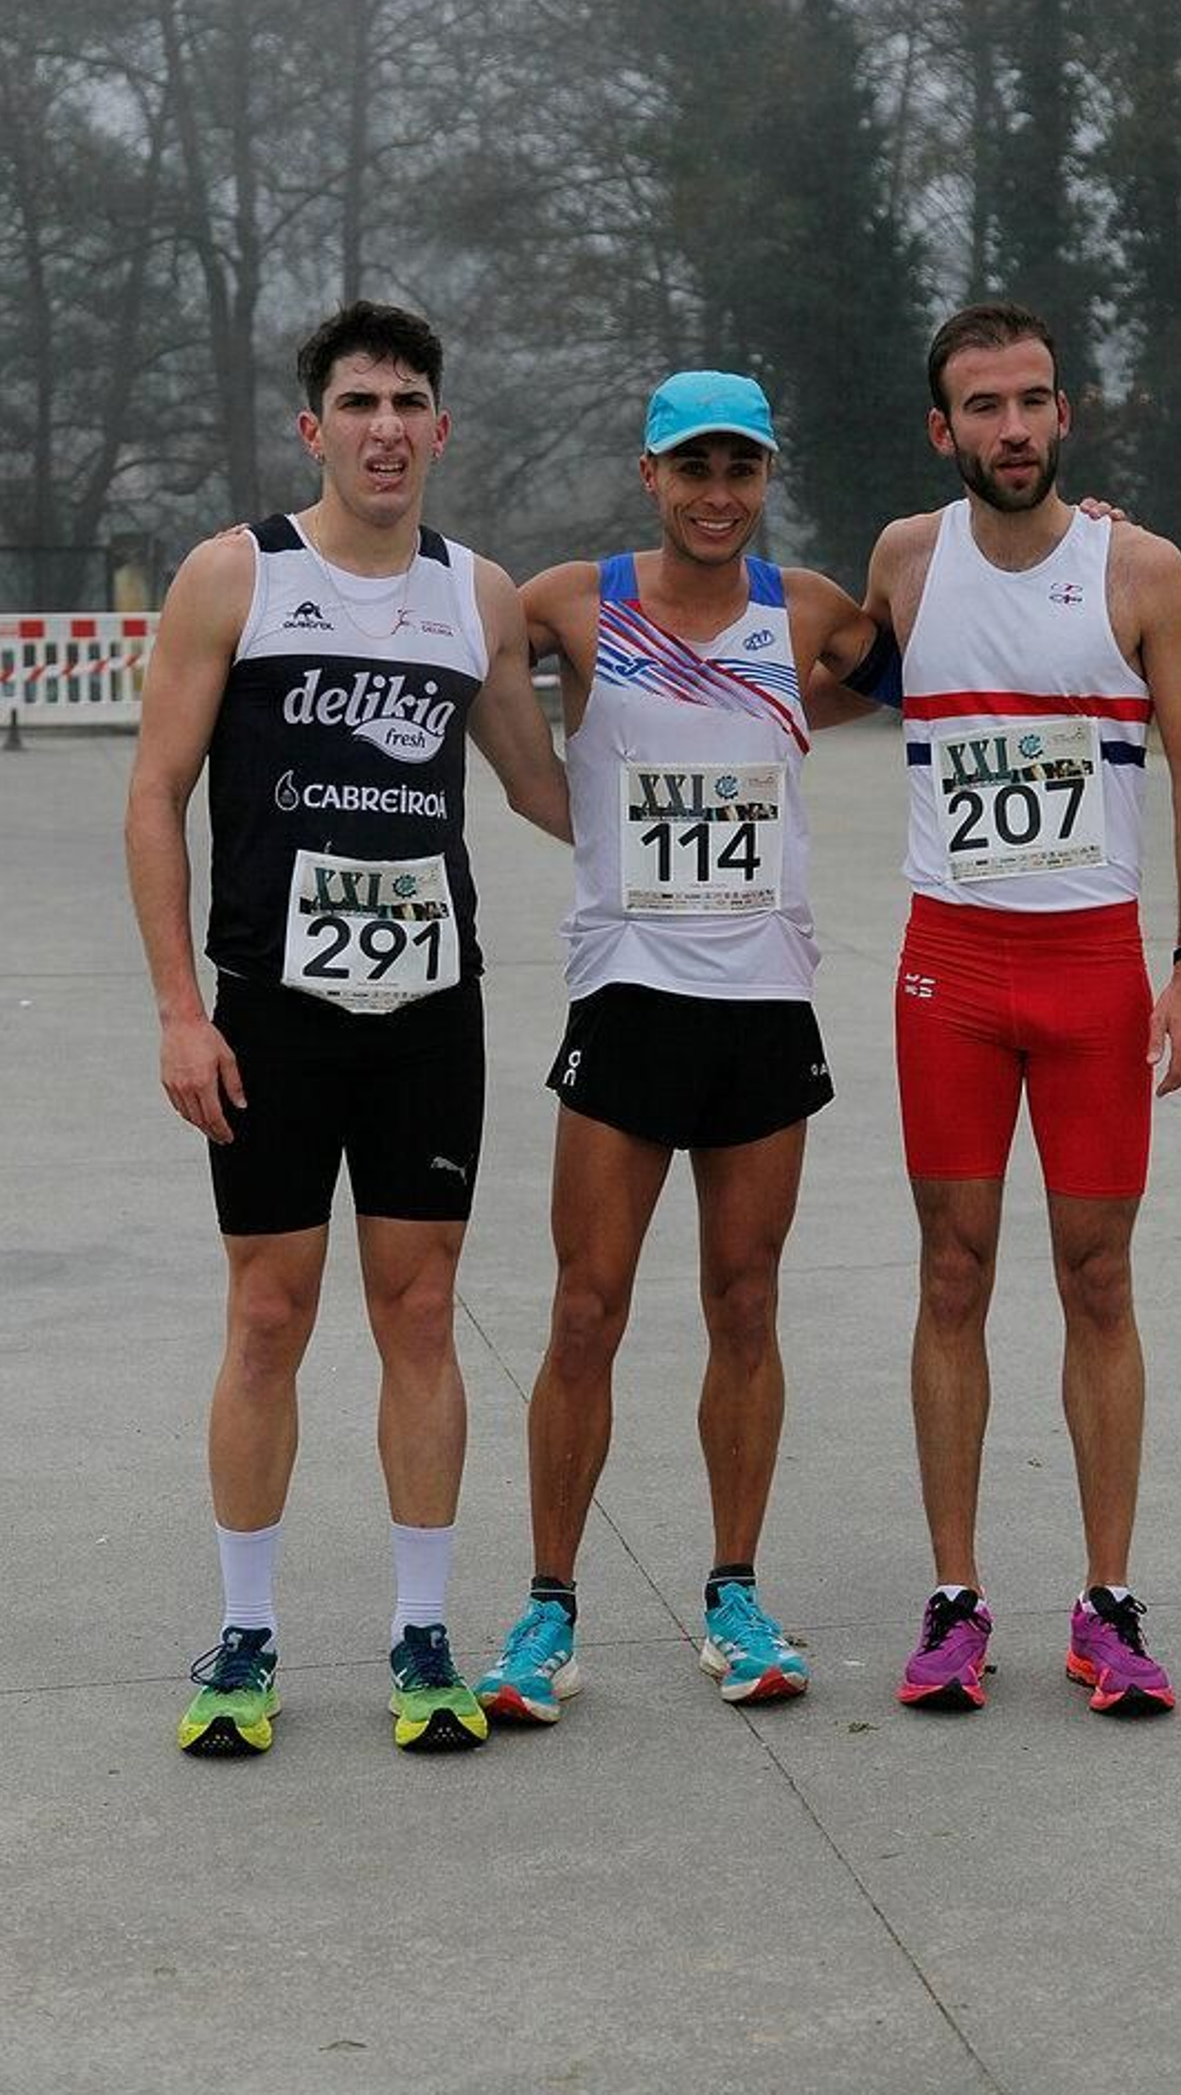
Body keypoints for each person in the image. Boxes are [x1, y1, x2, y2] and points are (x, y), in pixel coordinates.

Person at [125, 299, 571, 1757]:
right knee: (268, 1314)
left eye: (409, 403)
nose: (387, 429)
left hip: (428, 1012)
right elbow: (156, 795)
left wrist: (728, 753)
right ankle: (245, 1637)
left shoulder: (475, 595)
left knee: (420, 1312)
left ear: (443, 429)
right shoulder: (235, 576)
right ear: (314, 428)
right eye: (361, 404)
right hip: (271, 1008)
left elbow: (541, 785)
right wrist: (180, 1011)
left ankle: (422, 1634)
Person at [472, 371, 888, 1721]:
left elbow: (933, 657)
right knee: (585, 1308)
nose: (718, 495)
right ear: (648, 473)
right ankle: (548, 1607)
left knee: (745, 1303)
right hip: (630, 997)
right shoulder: (571, 604)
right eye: (693, 469)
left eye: (740, 470)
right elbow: (445, 627)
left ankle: (735, 1593)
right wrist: (565, 809)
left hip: (763, 1001)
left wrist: (1084, 526)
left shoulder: (806, 611)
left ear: (765, 479)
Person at [863, 300, 1181, 1717]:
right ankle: (955, 1601)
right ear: (941, 428)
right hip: (951, 971)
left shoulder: (1141, 568)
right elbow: (803, 679)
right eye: (984, 406)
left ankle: (1109, 1601)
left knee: (1099, 1278)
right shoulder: (907, 561)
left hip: (1090, 970)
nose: (1012, 429)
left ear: (1064, 414)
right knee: (952, 1273)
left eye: (1033, 401)